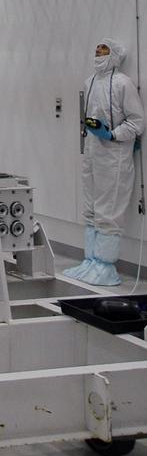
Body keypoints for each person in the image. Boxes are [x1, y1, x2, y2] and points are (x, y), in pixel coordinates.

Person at [64, 37, 144, 286]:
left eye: (104, 50)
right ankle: (90, 260)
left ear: (114, 55)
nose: (98, 53)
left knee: (109, 210)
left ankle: (106, 266)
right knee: (91, 208)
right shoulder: (89, 82)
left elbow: (137, 121)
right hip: (92, 152)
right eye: (96, 49)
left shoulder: (122, 83)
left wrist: (112, 134)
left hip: (114, 156)